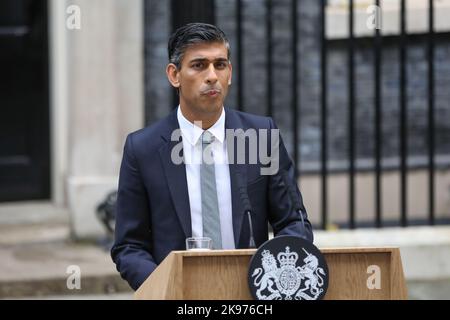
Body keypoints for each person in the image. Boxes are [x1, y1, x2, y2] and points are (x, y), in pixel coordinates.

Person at [111, 23, 313, 291]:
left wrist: (269, 282)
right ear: (174, 75)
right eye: (198, 65)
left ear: (230, 73)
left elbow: (293, 223)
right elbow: (129, 245)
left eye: (220, 65)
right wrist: (166, 289)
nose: (212, 76)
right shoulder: (143, 149)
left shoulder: (261, 136)